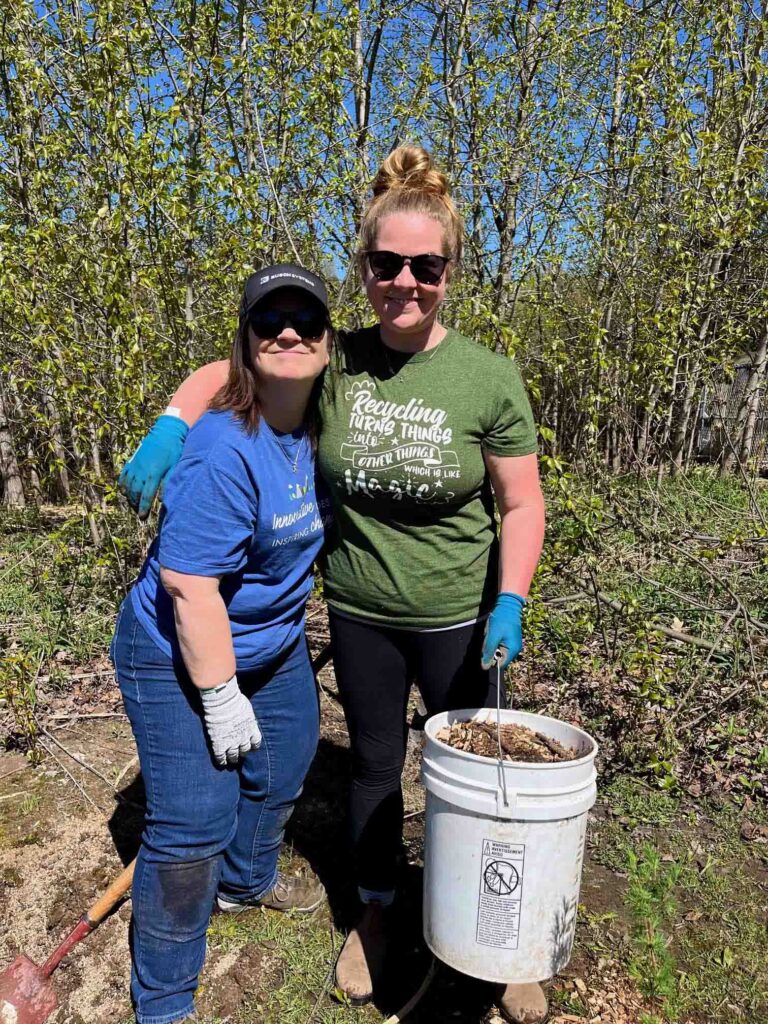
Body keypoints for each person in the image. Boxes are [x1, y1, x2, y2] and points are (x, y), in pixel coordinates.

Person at [119, 147, 547, 1024]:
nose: (405, 282)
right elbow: (227, 372)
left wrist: (511, 599)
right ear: (366, 270)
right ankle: (378, 915)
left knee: (483, 778)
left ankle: (500, 936)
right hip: (360, 614)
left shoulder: (487, 376)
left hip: (458, 615)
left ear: (450, 273)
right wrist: (170, 425)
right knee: (378, 772)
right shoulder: (335, 359)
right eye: (387, 264)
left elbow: (522, 499)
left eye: (426, 266)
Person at [111, 265, 334, 1024]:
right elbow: (189, 588)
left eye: (306, 320)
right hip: (175, 647)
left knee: (285, 761)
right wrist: (218, 698)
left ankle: (245, 882)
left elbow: (222, 367)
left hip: (267, 641)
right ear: (247, 343)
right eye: (268, 323)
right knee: (191, 824)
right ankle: (165, 1003)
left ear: (330, 342)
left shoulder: (322, 414)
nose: (289, 334)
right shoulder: (224, 449)